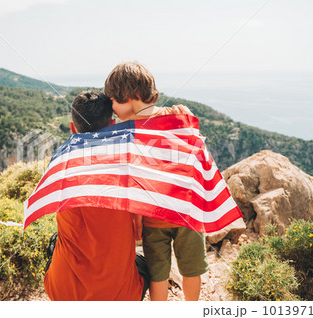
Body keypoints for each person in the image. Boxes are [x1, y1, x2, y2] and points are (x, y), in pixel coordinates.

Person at [104, 62, 209, 301]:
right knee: (191, 268)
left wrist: (136, 218)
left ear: (129, 96)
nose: (111, 107)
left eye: (113, 100)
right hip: (187, 209)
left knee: (157, 273)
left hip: (154, 216)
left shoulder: (127, 132)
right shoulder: (176, 116)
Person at [43, 90, 148, 301]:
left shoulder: (60, 165)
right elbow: (138, 235)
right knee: (145, 265)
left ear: (73, 128)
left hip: (63, 292)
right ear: (112, 125)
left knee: (54, 243)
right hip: (119, 295)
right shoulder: (128, 168)